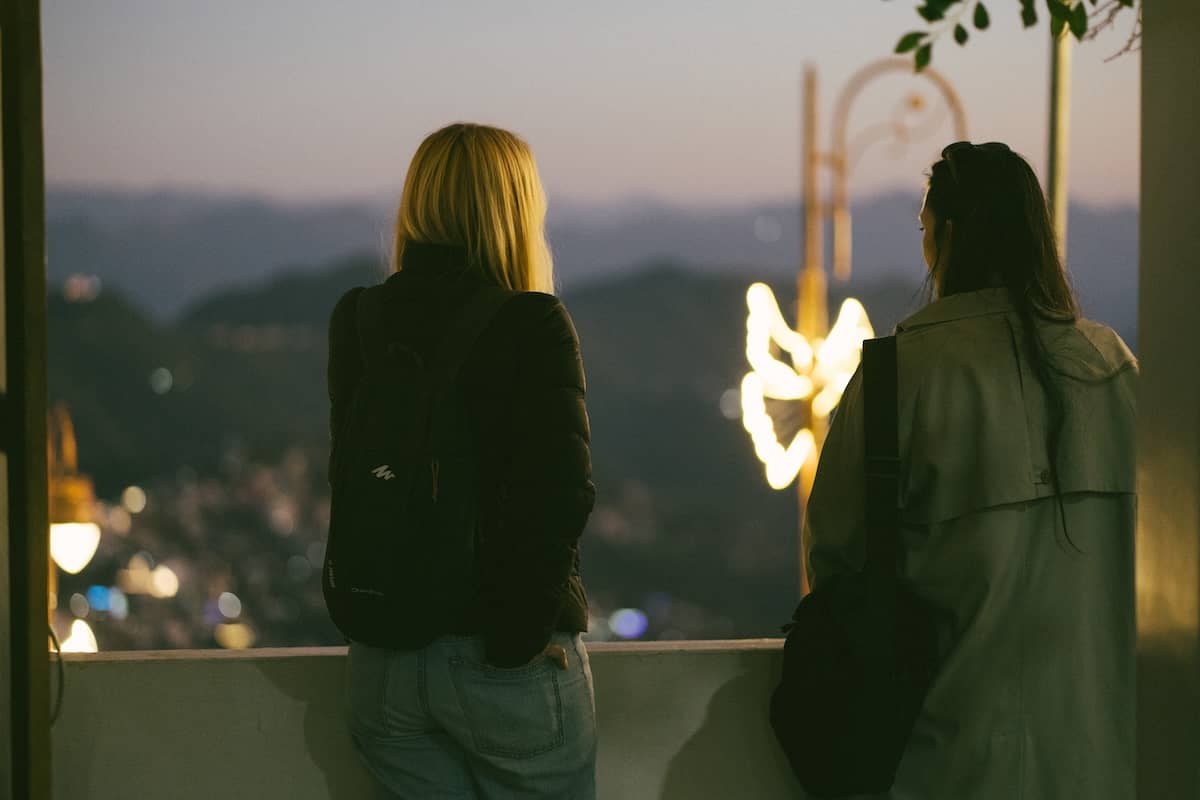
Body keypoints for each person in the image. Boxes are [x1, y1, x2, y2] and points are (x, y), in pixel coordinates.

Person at [804, 141, 1136, 799]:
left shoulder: (898, 378)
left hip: (946, 763)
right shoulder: (1115, 369)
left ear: (946, 236)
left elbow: (837, 568)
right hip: (1108, 762)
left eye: (926, 230)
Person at [327, 123, 597, 799]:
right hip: (500, 662)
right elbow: (559, 493)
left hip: (383, 658)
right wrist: (520, 641)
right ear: (515, 210)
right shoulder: (533, 324)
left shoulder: (358, 319)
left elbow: (355, 473)